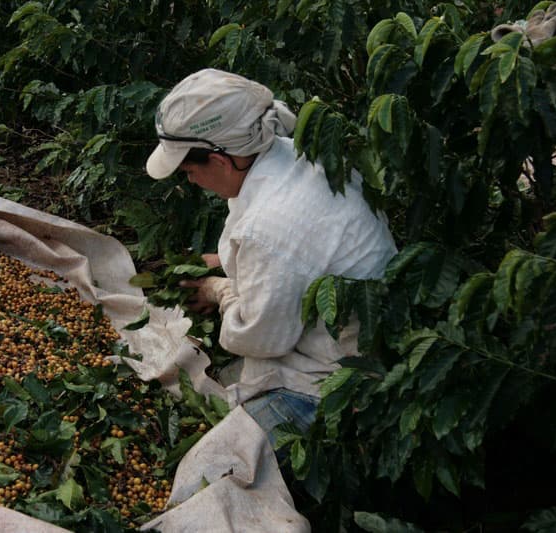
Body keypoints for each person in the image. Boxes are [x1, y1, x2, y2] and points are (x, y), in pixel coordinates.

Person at [145, 68, 398, 443]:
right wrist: (219, 262)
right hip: (372, 328)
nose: (191, 181)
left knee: (226, 456)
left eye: (189, 170)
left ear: (219, 161)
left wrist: (218, 290)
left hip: (342, 379)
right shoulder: (292, 154)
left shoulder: (267, 229)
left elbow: (261, 338)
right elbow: (298, 255)